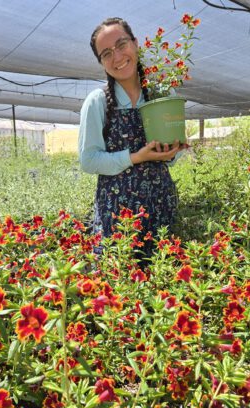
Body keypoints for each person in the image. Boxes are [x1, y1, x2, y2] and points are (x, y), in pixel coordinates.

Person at [79, 17, 186, 257]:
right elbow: (88, 160)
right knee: (119, 283)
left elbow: (171, 158)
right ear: (101, 62)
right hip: (118, 214)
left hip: (160, 203)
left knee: (161, 279)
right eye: (106, 53)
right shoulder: (98, 101)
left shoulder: (162, 94)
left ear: (136, 44)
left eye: (121, 44)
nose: (116, 57)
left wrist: (171, 153)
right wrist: (136, 157)